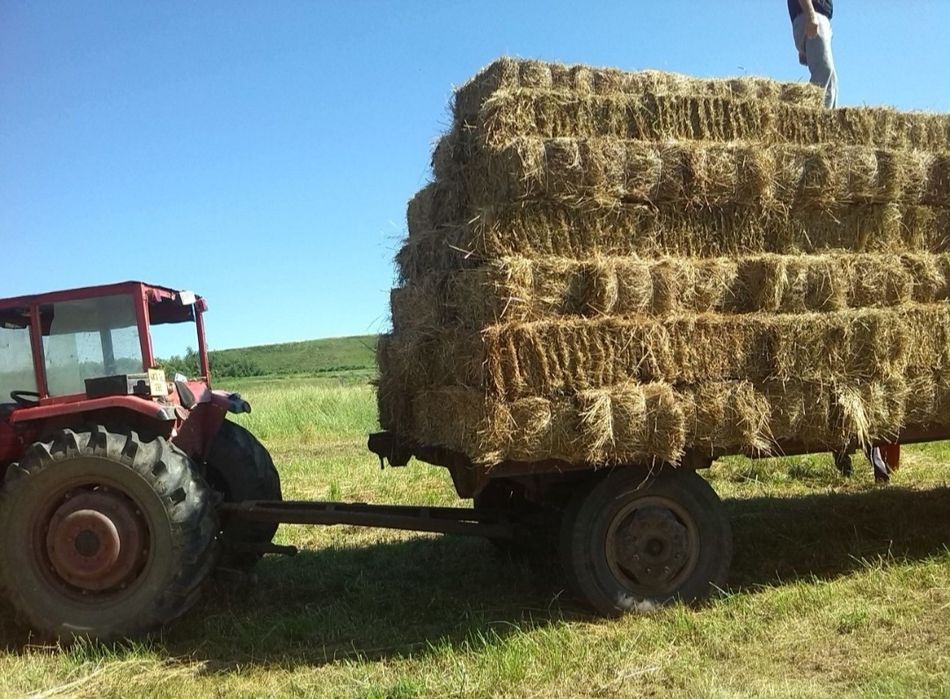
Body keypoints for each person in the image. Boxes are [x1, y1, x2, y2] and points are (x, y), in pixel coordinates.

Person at [789, 0, 838, 108]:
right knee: (824, 71)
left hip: (817, 18)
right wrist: (811, 15)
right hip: (813, 16)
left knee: (831, 81)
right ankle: (814, 118)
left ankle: (826, 121)